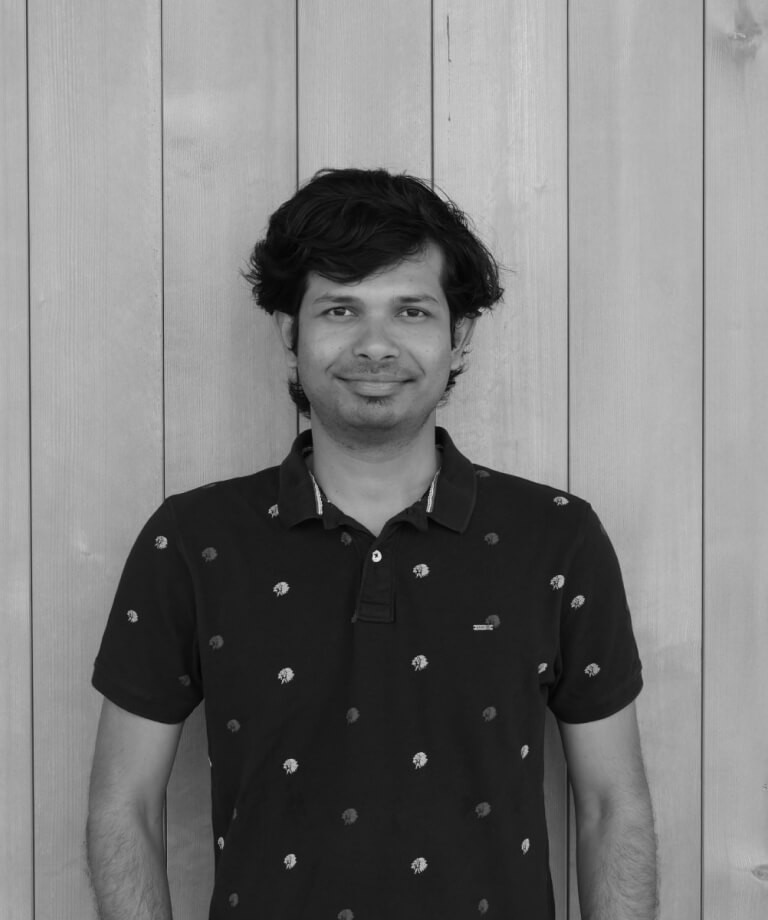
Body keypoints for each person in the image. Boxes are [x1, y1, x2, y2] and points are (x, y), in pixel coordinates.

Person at [86, 167, 658, 920]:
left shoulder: (557, 536)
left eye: (411, 311)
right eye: (341, 309)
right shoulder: (193, 539)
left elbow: (613, 808)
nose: (376, 346)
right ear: (290, 333)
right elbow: (123, 807)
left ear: (459, 335)